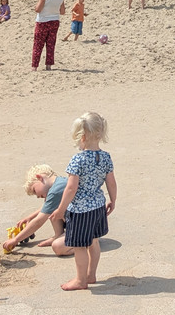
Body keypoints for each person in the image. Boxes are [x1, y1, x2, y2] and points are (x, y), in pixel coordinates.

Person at [52, 112, 117, 291]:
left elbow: (71, 188)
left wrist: (61, 209)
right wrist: (113, 200)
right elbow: (111, 182)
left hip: (80, 211)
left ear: (81, 137)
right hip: (98, 206)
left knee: (80, 246)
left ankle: (81, 280)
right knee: (93, 242)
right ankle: (91, 274)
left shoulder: (78, 159)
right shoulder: (105, 157)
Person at [2, 164, 74, 256]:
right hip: (77, 220)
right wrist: (29, 217)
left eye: (34, 191)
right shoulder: (59, 182)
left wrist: (16, 239)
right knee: (51, 210)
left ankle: (85, 244)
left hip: (85, 225)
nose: (38, 196)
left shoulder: (55, 192)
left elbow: (38, 222)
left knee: (58, 247)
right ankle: (58, 235)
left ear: (39, 178)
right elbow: (47, 207)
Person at [33, 0, 65, 71]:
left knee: (38, 44)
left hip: (43, 21)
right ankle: (48, 65)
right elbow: (62, 11)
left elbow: (38, 9)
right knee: (51, 44)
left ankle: (34, 66)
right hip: (54, 21)